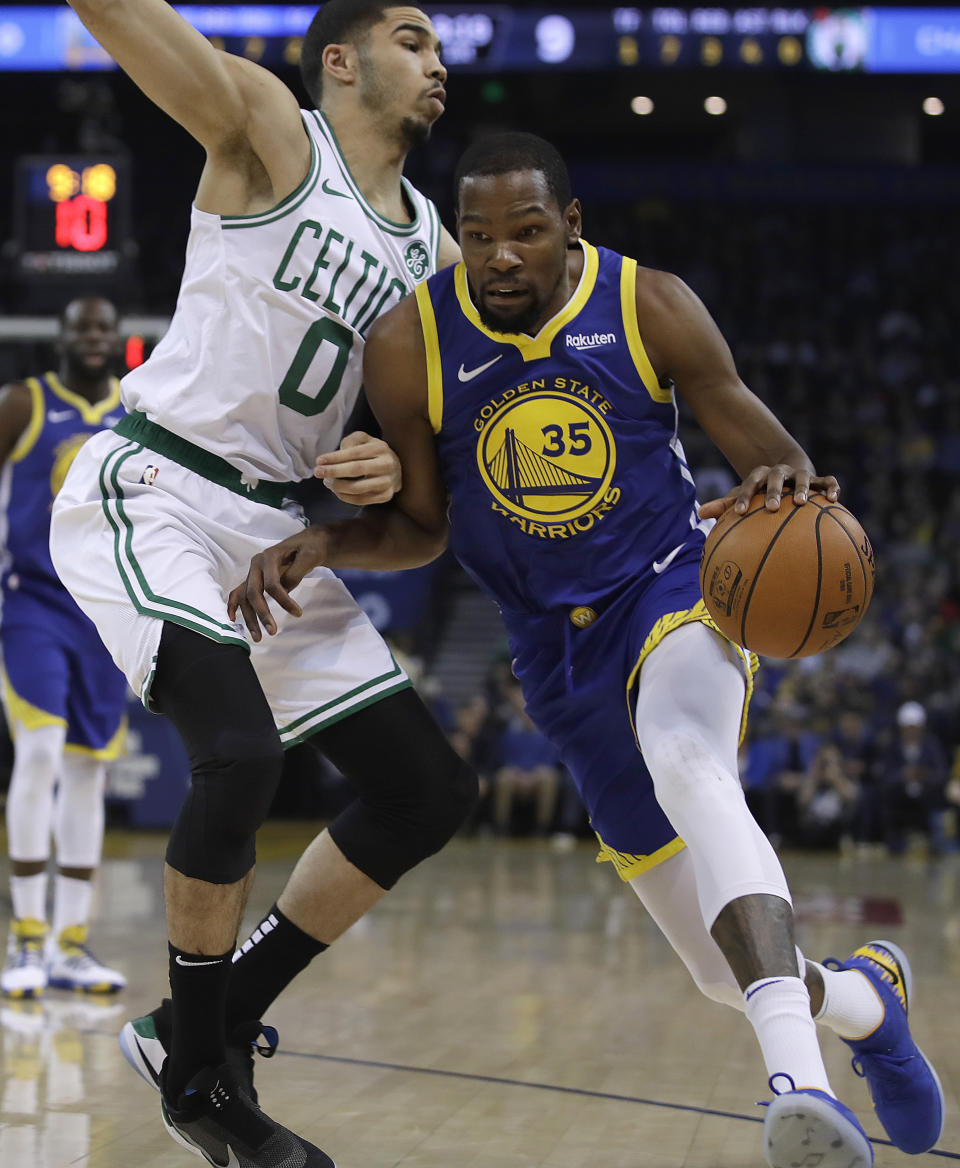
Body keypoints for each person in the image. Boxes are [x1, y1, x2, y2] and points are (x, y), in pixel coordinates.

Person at [230, 133, 945, 1167]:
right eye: (478, 237)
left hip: (670, 587)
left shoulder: (648, 302)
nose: (501, 256)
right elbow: (426, 526)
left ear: (571, 226)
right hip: (552, 656)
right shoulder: (409, 343)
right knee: (712, 970)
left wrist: (788, 480)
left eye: (526, 232)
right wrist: (327, 541)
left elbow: (774, 452)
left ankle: (797, 1082)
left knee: (689, 760)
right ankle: (864, 1001)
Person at [50, 3, 474, 1165]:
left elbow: (427, 466)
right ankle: (201, 1082)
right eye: (411, 37)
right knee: (238, 754)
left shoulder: (431, 252)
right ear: (341, 61)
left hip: (274, 532)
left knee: (426, 792)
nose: (438, 60)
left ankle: (214, 1017)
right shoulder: (272, 136)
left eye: (440, 45)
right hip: (159, 487)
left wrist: (394, 459)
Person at [0, 297, 129, 1000]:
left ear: (118, 340)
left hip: (104, 613)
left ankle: (70, 945)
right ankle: (25, 938)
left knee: (87, 771)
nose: (92, 338)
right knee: (41, 752)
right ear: (61, 336)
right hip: (31, 603)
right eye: (81, 326)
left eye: (103, 328)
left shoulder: (138, 414)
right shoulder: (22, 404)